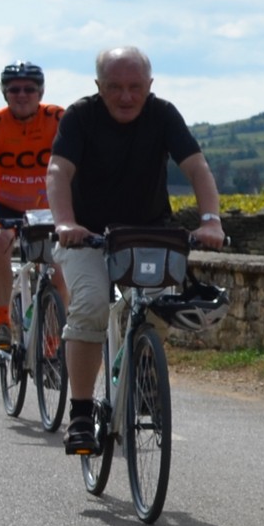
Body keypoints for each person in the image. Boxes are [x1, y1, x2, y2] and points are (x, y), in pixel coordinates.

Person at [46, 48, 226, 457]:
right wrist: (65, 224)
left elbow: (197, 167)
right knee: (90, 304)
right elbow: (59, 171)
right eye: (114, 88)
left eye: (135, 88)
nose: (125, 97)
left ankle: (143, 373)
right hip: (88, 236)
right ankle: (79, 413)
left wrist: (211, 219)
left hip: (148, 233)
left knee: (161, 304)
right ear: (98, 87)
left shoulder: (163, 115)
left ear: (149, 87)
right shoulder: (79, 117)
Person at [0, 62, 65, 350]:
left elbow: (76, 161)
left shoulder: (59, 118)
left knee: (60, 265)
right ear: (4, 93)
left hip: (47, 204)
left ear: (41, 92)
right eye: (14, 90)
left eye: (29, 89)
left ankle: (52, 336)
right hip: (4, 203)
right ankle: (1, 322)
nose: (22, 95)